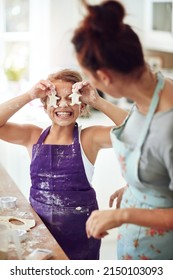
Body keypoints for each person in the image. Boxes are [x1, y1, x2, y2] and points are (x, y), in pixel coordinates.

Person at [71, 0, 173, 260]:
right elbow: (141, 130)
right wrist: (138, 189)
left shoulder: (170, 126)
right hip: (134, 242)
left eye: (89, 75)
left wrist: (123, 214)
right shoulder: (154, 88)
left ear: (104, 77)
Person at [0, 68, 127, 260]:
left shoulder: (89, 139)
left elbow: (136, 128)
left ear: (82, 106)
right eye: (55, 98)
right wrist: (29, 95)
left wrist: (97, 100)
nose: (63, 104)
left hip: (81, 238)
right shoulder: (32, 136)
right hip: (41, 235)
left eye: (71, 98)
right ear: (45, 105)